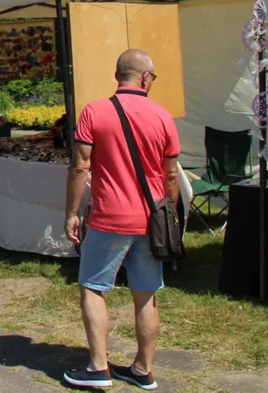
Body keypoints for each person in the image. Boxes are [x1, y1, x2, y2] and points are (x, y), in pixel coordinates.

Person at [63, 49, 180, 390]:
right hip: (150, 219)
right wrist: (168, 215)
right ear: (145, 77)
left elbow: (80, 166)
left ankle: (99, 367)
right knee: (146, 294)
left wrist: (71, 211)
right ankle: (143, 369)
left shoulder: (94, 112)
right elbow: (170, 176)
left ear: (119, 75)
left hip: (108, 217)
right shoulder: (163, 117)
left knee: (92, 288)